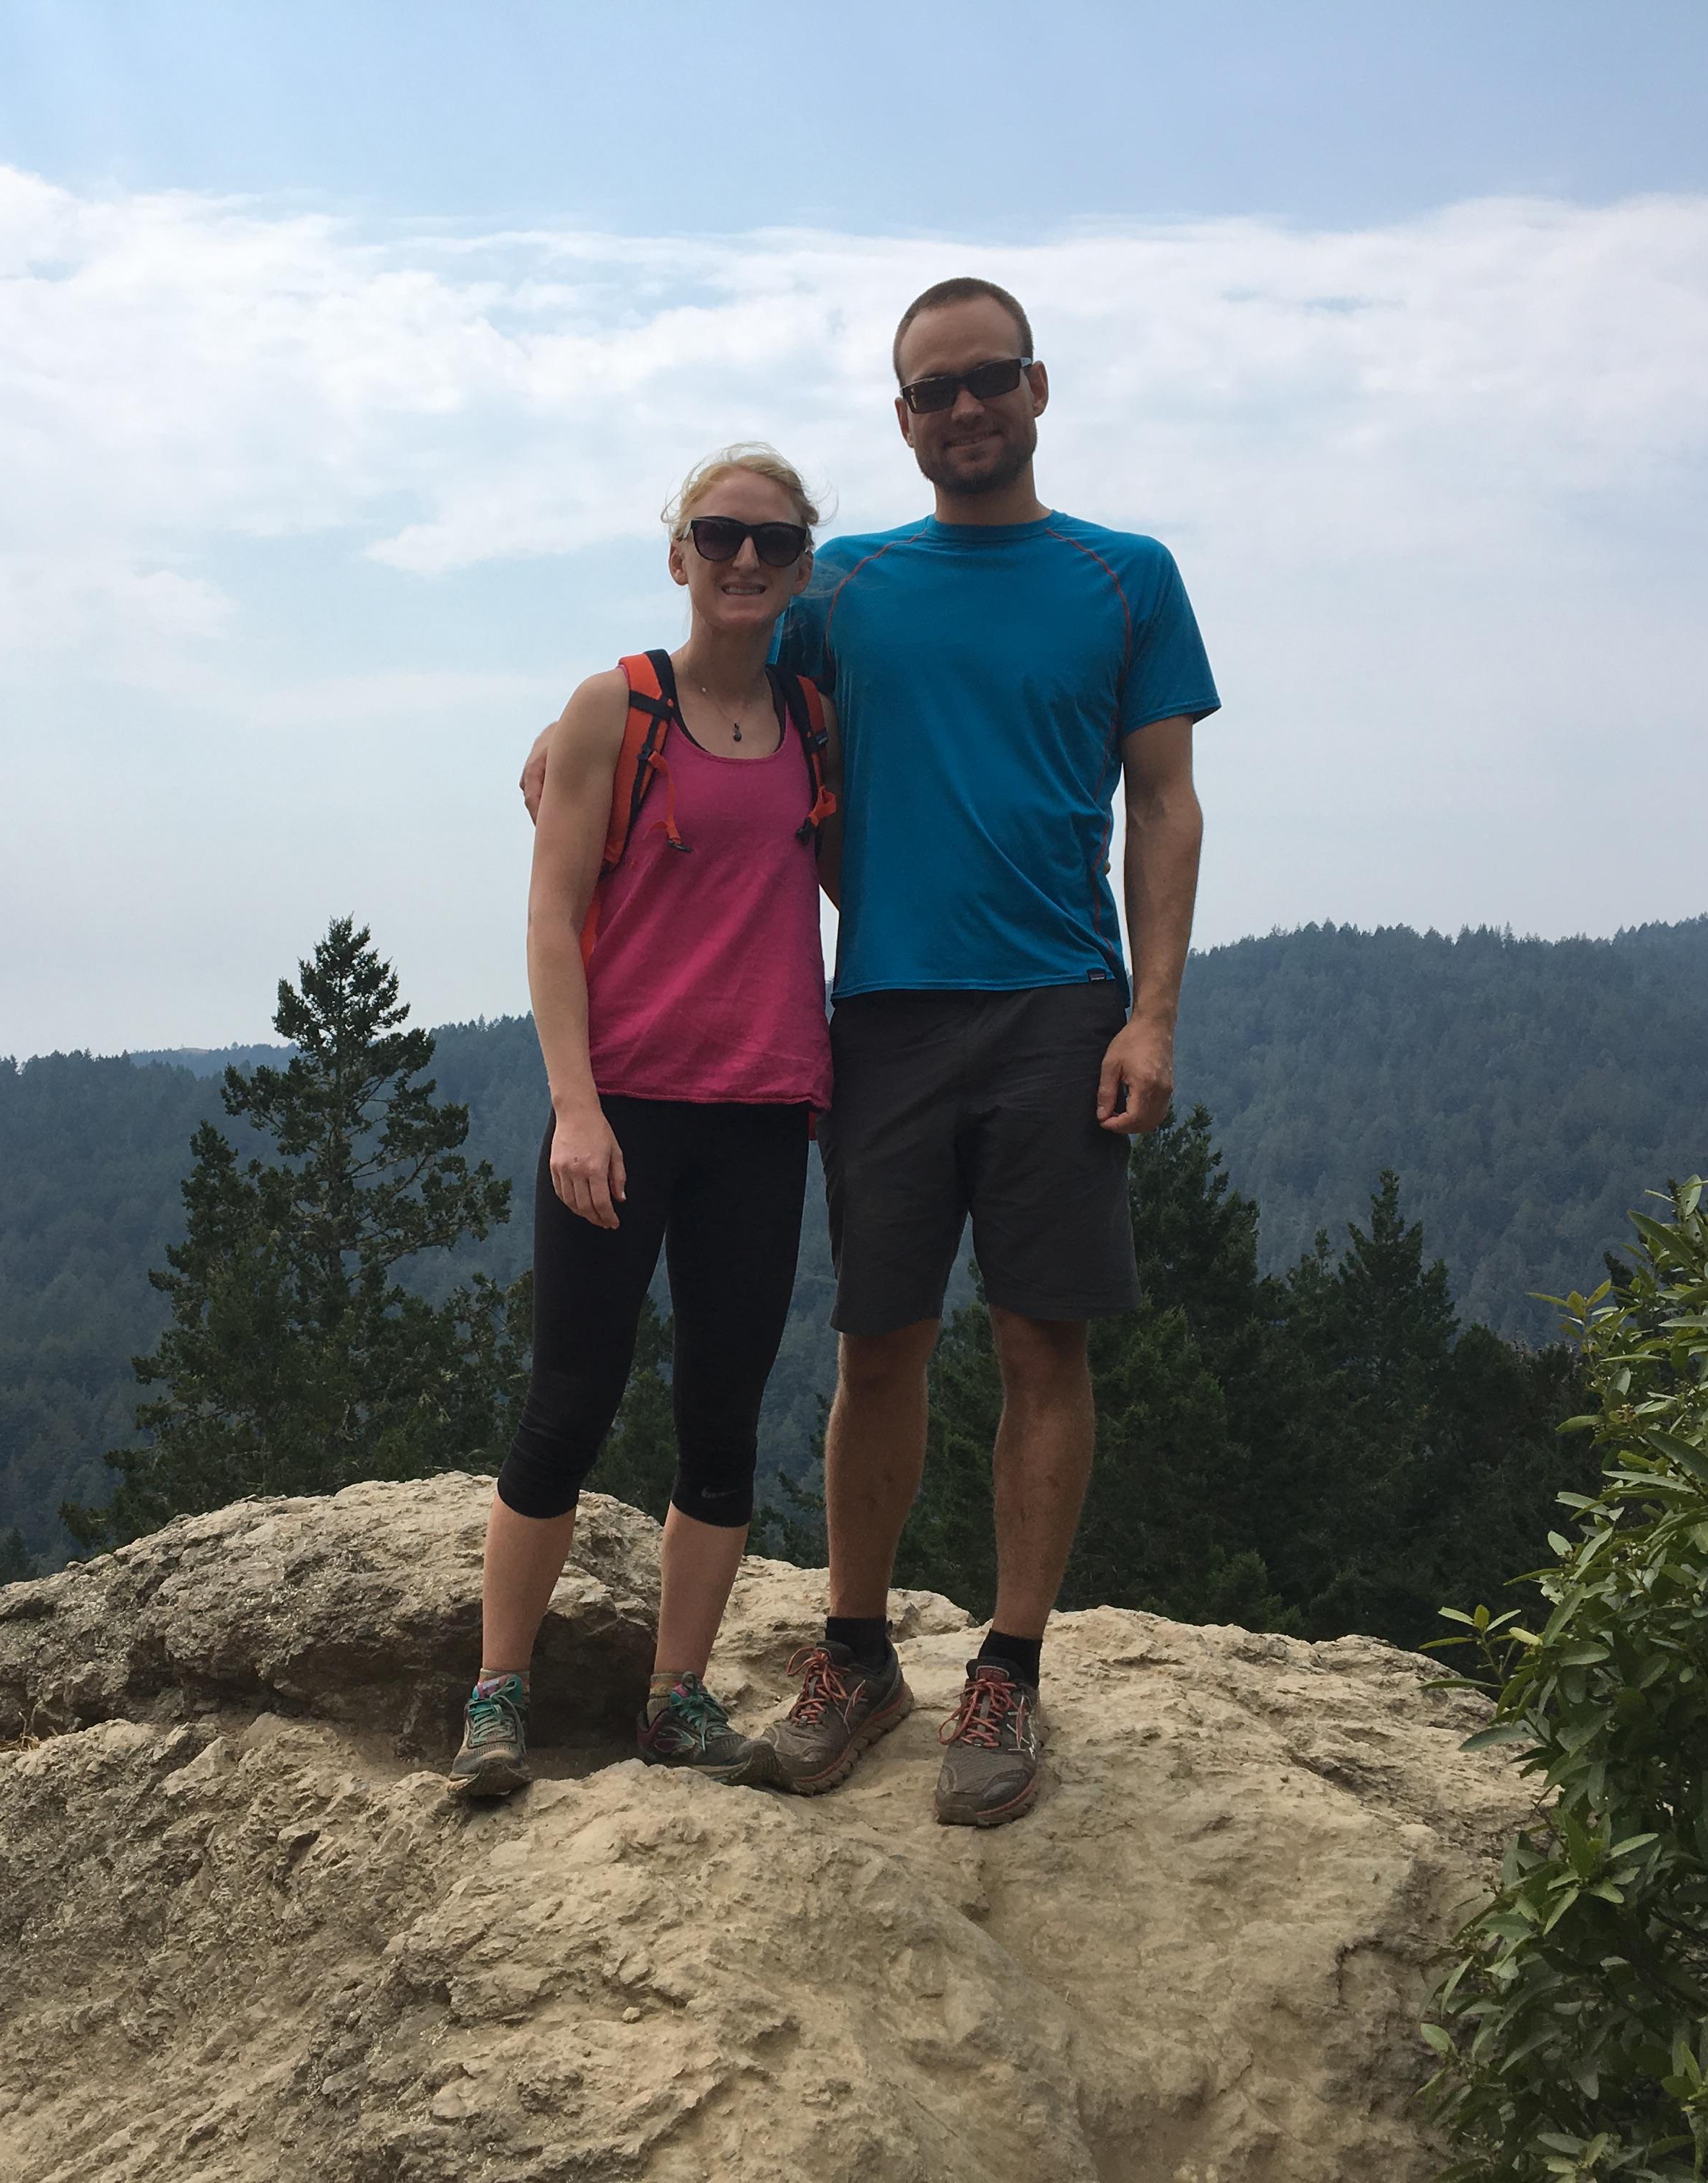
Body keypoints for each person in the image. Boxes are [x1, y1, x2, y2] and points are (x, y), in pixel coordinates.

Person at [523, 277, 1216, 1829]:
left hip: (1059, 1007)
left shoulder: (1128, 578)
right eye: (933, 391)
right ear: (903, 422)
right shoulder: (850, 591)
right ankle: (857, 1648)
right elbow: (710, 678)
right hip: (884, 1012)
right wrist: (569, 740)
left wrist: (1154, 1012)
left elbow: (1163, 804)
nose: (965, 409)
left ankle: (1010, 1668)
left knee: (1043, 1344)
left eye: (990, 380)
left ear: (1039, 388)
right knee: (876, 1347)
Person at [452, 444, 838, 1800]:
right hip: (619, 1109)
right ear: (678, 554)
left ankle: (676, 1700)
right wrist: (575, 1108)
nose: (746, 559)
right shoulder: (618, 710)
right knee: (568, 1401)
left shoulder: (814, 720)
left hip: (761, 1109)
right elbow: (552, 919)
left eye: (775, 542)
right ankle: (498, 1693)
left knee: (722, 1417)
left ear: (804, 568)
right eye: (721, 534)